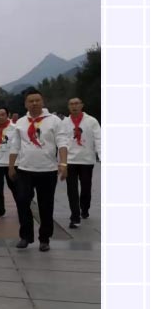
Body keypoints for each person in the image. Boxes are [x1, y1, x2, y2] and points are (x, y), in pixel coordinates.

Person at [8, 88, 69, 252]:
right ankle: (25, 236)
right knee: (22, 201)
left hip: (47, 170)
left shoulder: (54, 121)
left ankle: (44, 238)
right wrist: (11, 166)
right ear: (25, 104)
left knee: (46, 205)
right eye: (31, 101)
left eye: (37, 100)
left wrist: (63, 164)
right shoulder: (21, 122)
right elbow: (15, 145)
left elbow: (62, 142)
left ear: (42, 102)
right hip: (24, 169)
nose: (34, 103)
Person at [62, 98, 101, 228]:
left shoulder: (91, 121)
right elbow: (61, 142)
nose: (74, 106)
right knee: (71, 189)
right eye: (71, 104)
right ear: (68, 107)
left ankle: (85, 208)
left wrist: (101, 156)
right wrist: (61, 162)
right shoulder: (64, 122)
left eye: (77, 104)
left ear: (82, 105)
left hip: (86, 160)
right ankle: (75, 216)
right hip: (70, 160)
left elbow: (98, 139)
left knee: (86, 187)